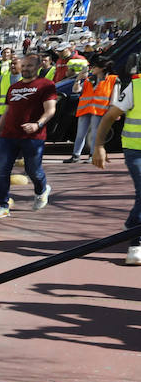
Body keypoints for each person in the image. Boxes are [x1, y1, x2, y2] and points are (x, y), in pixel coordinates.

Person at [0, 52, 56, 220]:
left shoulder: (46, 85)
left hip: (33, 137)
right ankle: (3, 206)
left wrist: (37, 124)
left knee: (33, 170)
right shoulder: (14, 87)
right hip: (8, 136)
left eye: (29, 66)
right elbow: (7, 111)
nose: (25, 69)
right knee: (2, 171)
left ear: (38, 66)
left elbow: (50, 110)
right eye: (23, 66)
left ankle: (42, 190)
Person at [90, 66, 141, 264]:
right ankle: (136, 244)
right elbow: (110, 117)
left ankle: (131, 224)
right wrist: (98, 146)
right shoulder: (136, 87)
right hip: (135, 150)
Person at [66, 60, 116, 164]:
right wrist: (78, 79)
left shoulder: (113, 79)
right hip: (85, 109)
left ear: (102, 68)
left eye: (94, 67)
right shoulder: (88, 79)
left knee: (95, 133)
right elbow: (76, 90)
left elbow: (114, 97)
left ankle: (93, 155)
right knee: (80, 134)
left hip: (99, 110)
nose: (91, 69)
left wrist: (112, 111)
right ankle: (76, 155)